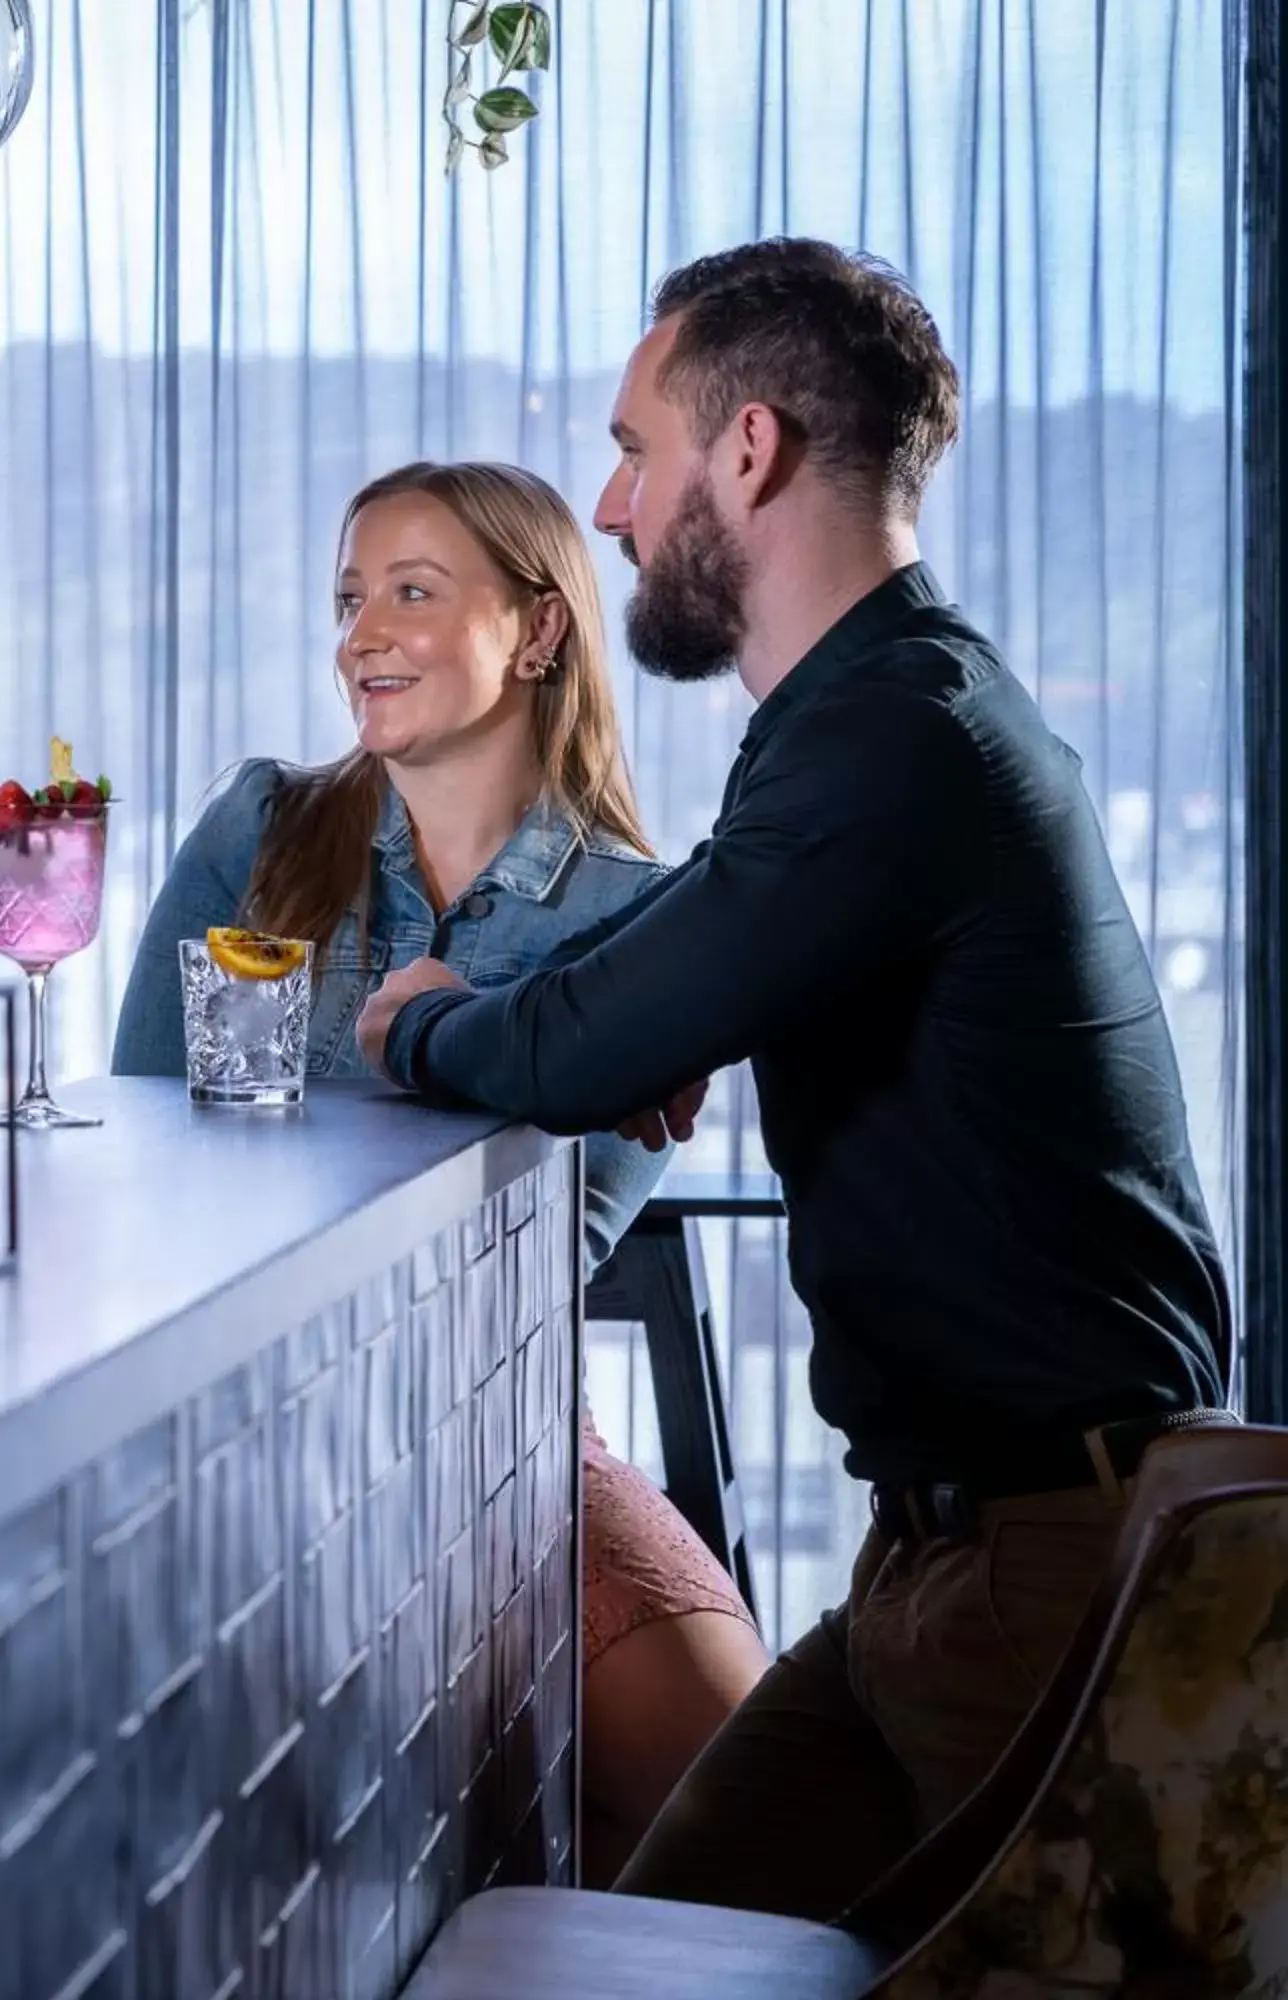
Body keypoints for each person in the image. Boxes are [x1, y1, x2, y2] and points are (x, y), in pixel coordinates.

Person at [359, 240, 1233, 1921]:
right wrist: (641, 1024)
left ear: (744, 453)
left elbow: (577, 1038)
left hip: (1044, 1568)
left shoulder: (901, 733)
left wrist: (419, 1021)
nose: (611, 512)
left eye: (634, 451)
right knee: (677, 1932)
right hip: (940, 1552)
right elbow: (678, 956)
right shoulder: (864, 718)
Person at [112, 460, 768, 1883]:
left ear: (538, 634)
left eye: (412, 591)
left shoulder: (648, 917)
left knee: (760, 1805)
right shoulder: (260, 832)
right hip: (247, 1455)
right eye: (351, 598)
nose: (361, 634)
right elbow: (141, 1140)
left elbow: (554, 1241)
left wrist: (425, 1045)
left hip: (503, 1452)